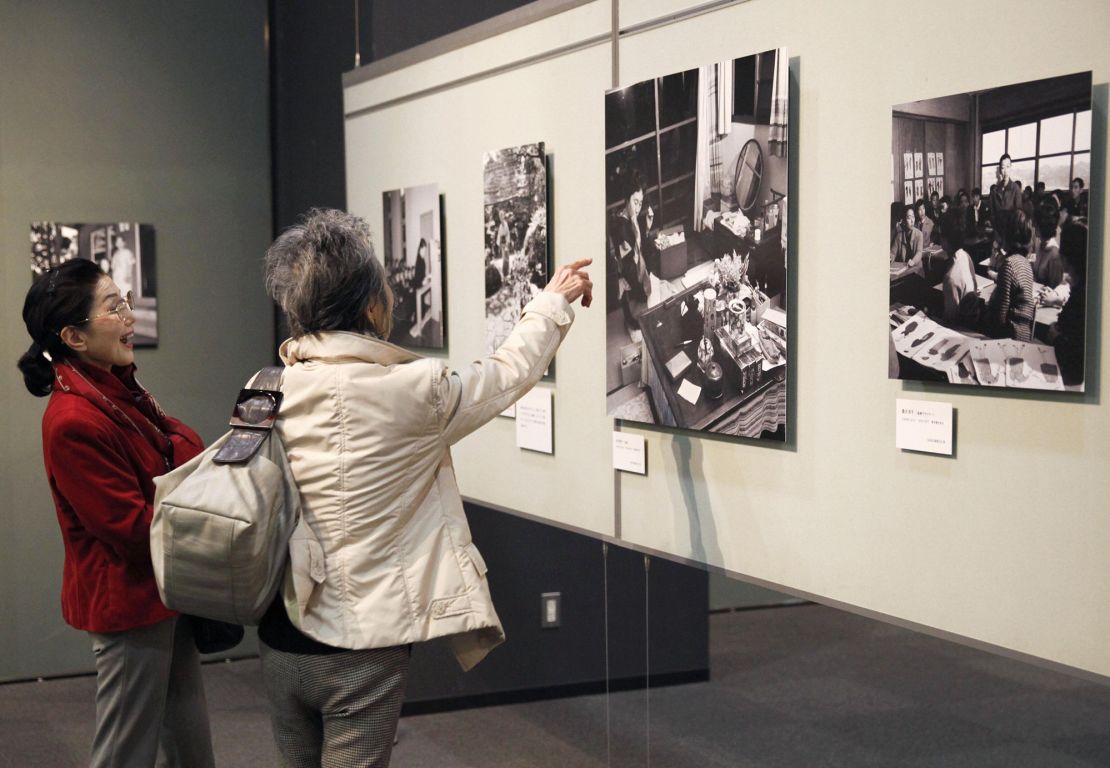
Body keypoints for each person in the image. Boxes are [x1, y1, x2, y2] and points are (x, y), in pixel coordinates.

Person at [258, 208, 592, 767]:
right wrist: (552, 300)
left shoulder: (266, 387)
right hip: (362, 644)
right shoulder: (415, 393)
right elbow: (509, 372)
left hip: (279, 632)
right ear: (370, 306)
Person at [17, 259, 214, 768]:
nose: (130, 316)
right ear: (74, 336)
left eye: (126, 301)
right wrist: (209, 523)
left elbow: (185, 446)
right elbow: (127, 527)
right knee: (125, 752)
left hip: (163, 591)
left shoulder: (115, 387)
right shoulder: (73, 419)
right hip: (128, 604)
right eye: (115, 306)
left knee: (190, 744)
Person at [1047, 221, 1087, 385]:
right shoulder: (1084, 285)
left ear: (1066, 258)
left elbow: (1076, 357)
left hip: (1070, 380)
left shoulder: (1081, 296)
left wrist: (1055, 336)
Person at [985, 218, 1036, 342]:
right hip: (1023, 334)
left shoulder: (1009, 264)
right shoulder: (1025, 262)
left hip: (1011, 337)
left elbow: (1000, 316)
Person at [989, 153, 1022, 245]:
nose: (1005, 171)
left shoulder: (1016, 189)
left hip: (1011, 235)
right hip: (998, 234)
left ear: (1011, 168)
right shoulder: (994, 191)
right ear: (1000, 170)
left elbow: (1018, 215)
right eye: (1003, 167)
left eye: (1008, 167)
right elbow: (992, 214)